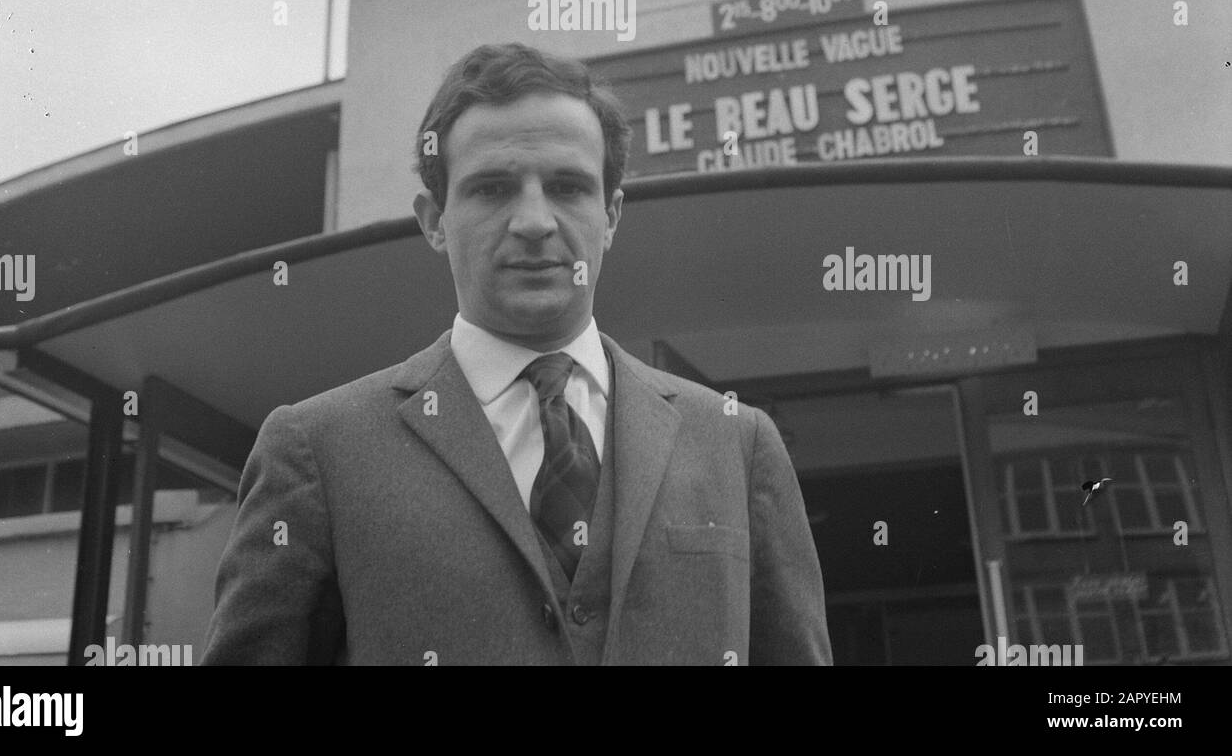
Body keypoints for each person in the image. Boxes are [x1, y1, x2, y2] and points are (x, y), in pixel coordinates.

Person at [201, 41, 830, 665]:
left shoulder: (738, 444)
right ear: (432, 221)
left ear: (611, 214)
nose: (534, 221)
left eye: (567, 186)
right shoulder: (316, 451)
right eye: (493, 189)